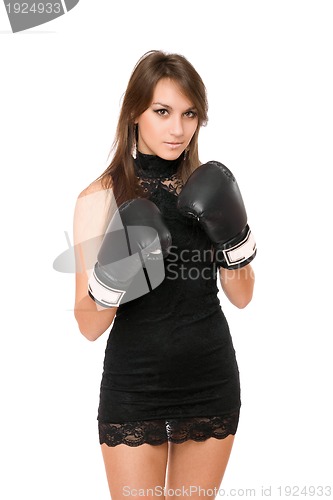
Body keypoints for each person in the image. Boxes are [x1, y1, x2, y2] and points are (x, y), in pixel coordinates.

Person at [73, 50, 256, 499]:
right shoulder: (99, 197)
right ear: (136, 112)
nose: (178, 129)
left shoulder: (209, 188)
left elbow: (243, 296)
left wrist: (234, 237)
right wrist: (117, 271)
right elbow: (89, 325)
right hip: (135, 384)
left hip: (209, 377)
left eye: (189, 114)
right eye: (162, 111)